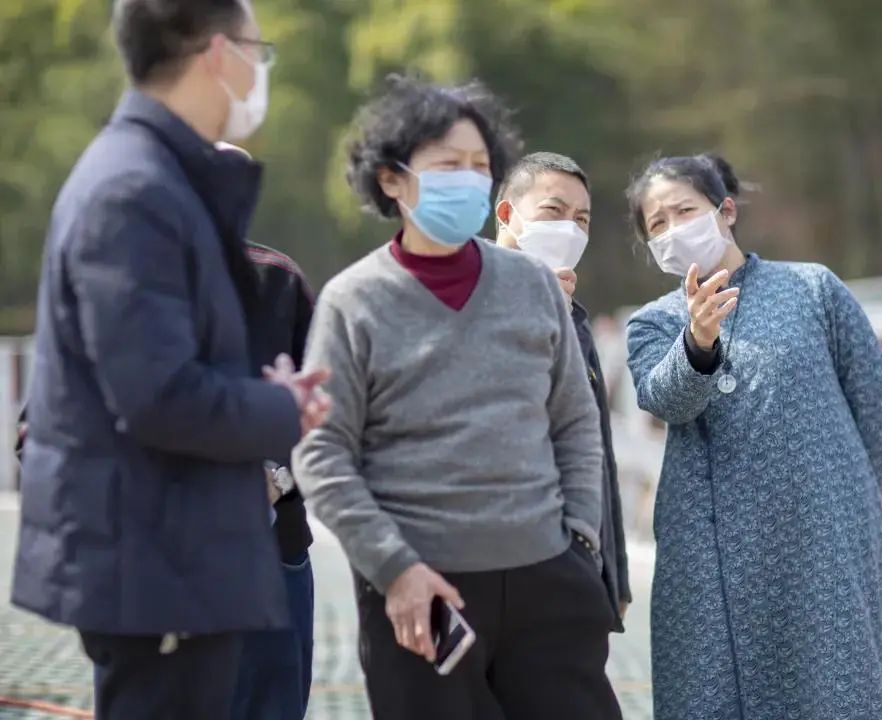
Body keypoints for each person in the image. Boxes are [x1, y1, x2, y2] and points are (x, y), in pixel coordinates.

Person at [9, 2, 330, 719]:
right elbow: (158, 395)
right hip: (159, 569)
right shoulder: (136, 191)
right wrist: (286, 408)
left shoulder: (149, 180)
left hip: (179, 565)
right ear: (218, 54)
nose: (260, 70)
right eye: (257, 49)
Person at [293, 75, 622, 720]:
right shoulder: (354, 302)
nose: (468, 180)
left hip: (549, 582)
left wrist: (579, 541)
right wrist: (394, 568)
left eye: (480, 166)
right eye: (448, 166)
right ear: (391, 178)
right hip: (421, 595)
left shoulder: (532, 286)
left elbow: (576, 424)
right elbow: (323, 455)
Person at [624, 153, 882, 720]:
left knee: (833, 688)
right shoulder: (654, 322)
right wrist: (698, 343)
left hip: (821, 545)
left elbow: (879, 410)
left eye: (685, 210)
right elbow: (663, 399)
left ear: (725, 210)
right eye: (658, 224)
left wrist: (838, 498)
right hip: (707, 558)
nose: (674, 228)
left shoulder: (813, 290)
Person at [494, 151, 631, 630]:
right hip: (492, 567)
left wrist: (614, 572)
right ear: (508, 214)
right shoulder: (468, 302)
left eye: (582, 219)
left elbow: (595, 448)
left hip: (574, 567)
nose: (570, 229)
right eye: (554, 212)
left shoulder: (577, 319)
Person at [211, 142, 316, 720]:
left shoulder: (280, 280)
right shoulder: (122, 281)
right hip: (159, 564)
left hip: (274, 550)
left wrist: (277, 478)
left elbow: (333, 414)